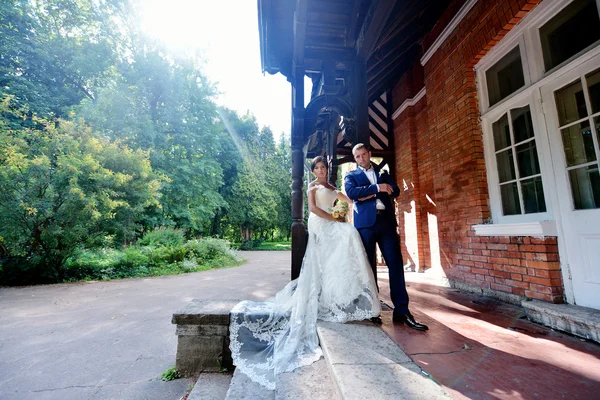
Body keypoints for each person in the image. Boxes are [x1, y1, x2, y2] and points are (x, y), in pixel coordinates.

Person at [229, 156, 381, 390]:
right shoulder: (312, 186)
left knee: (349, 233)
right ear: (313, 171)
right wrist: (333, 217)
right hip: (320, 222)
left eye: (324, 167)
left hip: (332, 220)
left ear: (327, 170)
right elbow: (312, 208)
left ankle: (342, 291)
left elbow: (347, 201)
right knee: (346, 235)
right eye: (317, 168)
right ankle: (335, 291)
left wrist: (344, 210)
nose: (321, 170)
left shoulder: (332, 187)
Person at [344, 143, 429, 331]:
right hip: (365, 225)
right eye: (357, 156)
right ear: (355, 158)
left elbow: (395, 190)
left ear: (370, 154)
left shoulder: (383, 172)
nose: (361, 159)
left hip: (387, 223)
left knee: (396, 264)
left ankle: (402, 311)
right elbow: (352, 193)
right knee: (369, 267)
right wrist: (378, 188)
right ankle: (372, 310)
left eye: (364, 155)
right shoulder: (351, 175)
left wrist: (369, 192)